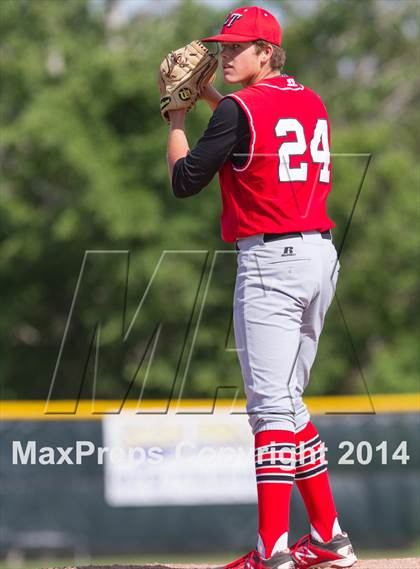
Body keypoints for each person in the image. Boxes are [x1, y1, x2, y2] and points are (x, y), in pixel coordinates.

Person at [165, 6, 357, 569]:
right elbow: (252, 124)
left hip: (273, 262)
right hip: (320, 255)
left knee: (269, 409)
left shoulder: (238, 111)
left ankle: (270, 550)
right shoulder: (311, 100)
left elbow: (183, 181)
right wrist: (207, 101)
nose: (224, 55)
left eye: (237, 47)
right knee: (289, 403)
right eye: (223, 46)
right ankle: (328, 538)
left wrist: (176, 118)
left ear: (266, 53)